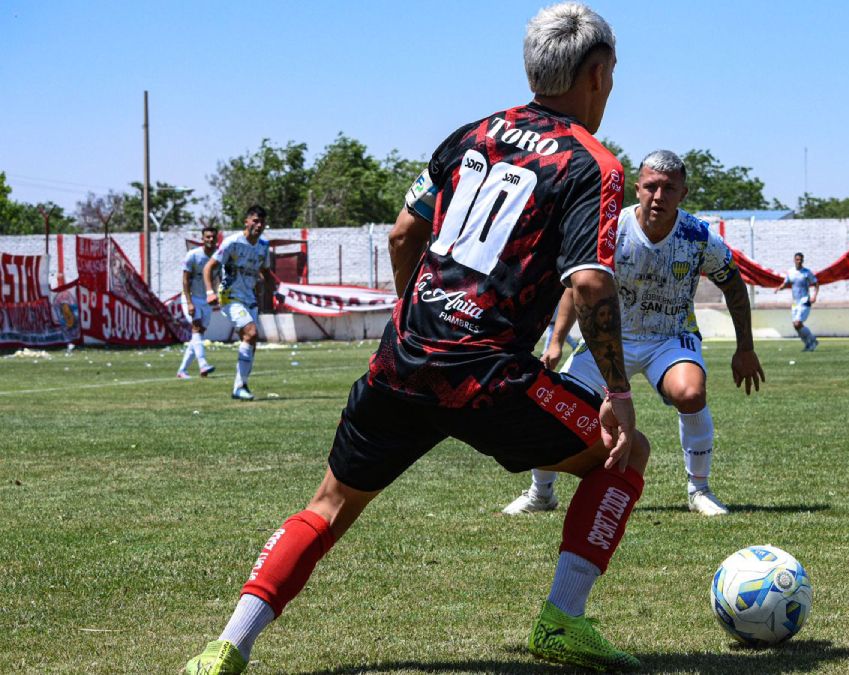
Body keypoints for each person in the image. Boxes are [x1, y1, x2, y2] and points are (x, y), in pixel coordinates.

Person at [185, 4, 647, 673]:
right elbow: (592, 284)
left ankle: (227, 645)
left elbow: (404, 232)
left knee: (329, 505)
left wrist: (419, 311)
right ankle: (561, 622)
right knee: (624, 456)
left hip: (402, 360)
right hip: (487, 375)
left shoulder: (472, 134)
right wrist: (620, 392)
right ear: (598, 74)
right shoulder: (591, 164)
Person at [504, 150, 765, 518]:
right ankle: (540, 492)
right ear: (637, 188)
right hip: (610, 339)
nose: (659, 196)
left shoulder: (699, 236)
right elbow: (576, 286)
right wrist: (557, 340)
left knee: (690, 393)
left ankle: (699, 489)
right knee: (560, 405)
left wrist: (745, 348)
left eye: (669, 189)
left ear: (683, 193)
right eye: (651, 187)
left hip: (670, 337)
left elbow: (735, 287)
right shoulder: (610, 231)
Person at [204, 206, 271, 401]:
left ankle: (239, 387)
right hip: (230, 295)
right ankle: (240, 386)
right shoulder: (232, 242)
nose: (258, 225)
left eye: (262, 222)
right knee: (251, 333)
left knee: (250, 341)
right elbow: (210, 266)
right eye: (255, 221)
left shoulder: (263, 246)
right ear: (247, 221)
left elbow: (265, 271)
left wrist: (272, 291)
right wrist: (209, 292)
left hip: (249, 297)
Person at [176, 225, 219, 379]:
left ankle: (182, 370)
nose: (210, 239)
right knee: (196, 328)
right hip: (191, 297)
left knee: (198, 335)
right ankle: (203, 364)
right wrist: (189, 303)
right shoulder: (193, 255)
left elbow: (217, 279)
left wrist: (215, 295)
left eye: (213, 237)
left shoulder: (218, 257)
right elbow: (185, 280)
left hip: (205, 299)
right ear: (202, 239)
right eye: (207, 237)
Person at [775, 252, 819, 350]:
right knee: (796, 326)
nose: (799, 261)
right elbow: (786, 283)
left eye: (800, 260)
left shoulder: (807, 272)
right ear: (794, 260)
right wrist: (779, 288)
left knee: (798, 323)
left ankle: (812, 340)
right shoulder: (791, 272)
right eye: (797, 259)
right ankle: (809, 343)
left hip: (805, 300)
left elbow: (816, 284)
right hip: (795, 302)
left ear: (803, 260)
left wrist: (814, 296)